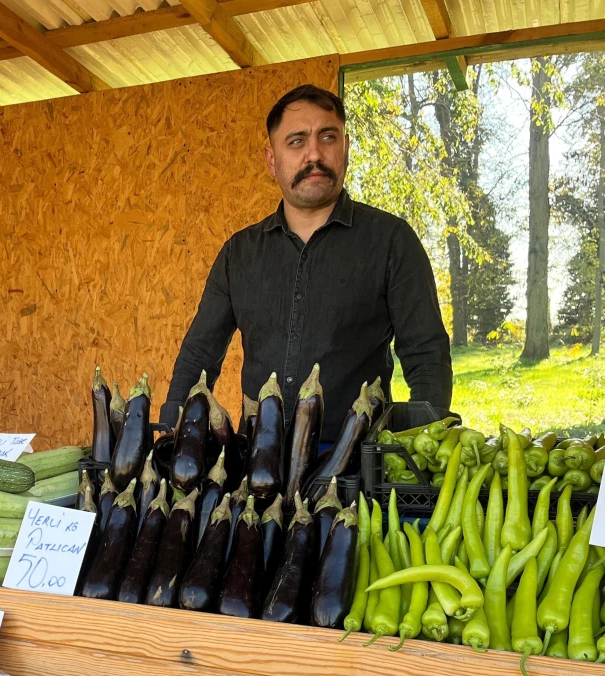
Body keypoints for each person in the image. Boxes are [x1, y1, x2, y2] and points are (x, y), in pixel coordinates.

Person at [161, 84, 452, 442]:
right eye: (296, 141)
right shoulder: (239, 254)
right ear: (272, 160)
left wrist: (427, 444)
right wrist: (172, 433)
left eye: (327, 137)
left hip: (357, 466)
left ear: (345, 148)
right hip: (255, 465)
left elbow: (426, 354)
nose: (314, 153)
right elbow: (198, 355)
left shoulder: (391, 241)